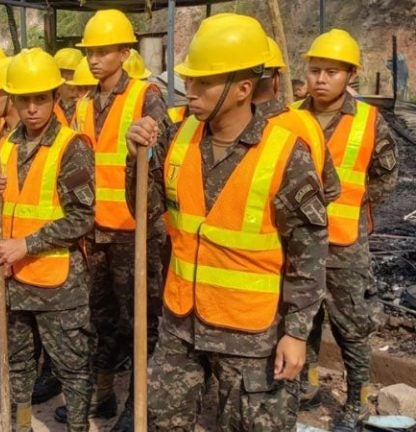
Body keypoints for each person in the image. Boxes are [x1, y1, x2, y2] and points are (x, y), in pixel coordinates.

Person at [126, 13, 327, 430]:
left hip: (251, 335)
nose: (190, 90)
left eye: (204, 82)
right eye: (190, 80)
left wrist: (296, 332)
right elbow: (142, 210)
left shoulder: (285, 153)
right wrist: (137, 158)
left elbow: (308, 255)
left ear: (242, 89)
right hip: (181, 323)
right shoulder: (174, 136)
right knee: (164, 422)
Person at [61, 9, 169, 431]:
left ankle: (136, 406)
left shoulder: (146, 96)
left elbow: (160, 155)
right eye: (91, 52)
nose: (94, 59)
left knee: (140, 322)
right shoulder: (85, 104)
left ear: (124, 53)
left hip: (133, 232)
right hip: (94, 233)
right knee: (99, 319)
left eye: (104, 51)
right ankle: (102, 395)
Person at [0, 47, 96, 432]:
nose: (32, 108)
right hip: (14, 281)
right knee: (18, 361)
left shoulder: (72, 146)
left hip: (58, 283)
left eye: (41, 99)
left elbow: (82, 217)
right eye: (24, 99)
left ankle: (78, 427)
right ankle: (21, 424)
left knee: (71, 365)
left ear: (55, 96)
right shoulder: (6, 145)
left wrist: (26, 244)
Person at [295, 29, 398, 431]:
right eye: (315, 70)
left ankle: (357, 399)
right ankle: (308, 384)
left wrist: (355, 208)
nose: (321, 79)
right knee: (303, 319)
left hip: (345, 244)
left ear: (350, 75)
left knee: (351, 325)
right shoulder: (291, 115)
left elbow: (386, 177)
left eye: (331, 72)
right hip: (299, 240)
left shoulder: (370, 120)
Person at [253, 37, 341, 201]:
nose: (321, 79)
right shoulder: (306, 125)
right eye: (315, 71)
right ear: (276, 80)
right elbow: (331, 189)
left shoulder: (198, 126)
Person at [53, 47, 84, 124]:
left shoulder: (92, 108)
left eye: (75, 78)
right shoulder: (47, 110)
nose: (72, 86)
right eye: (66, 79)